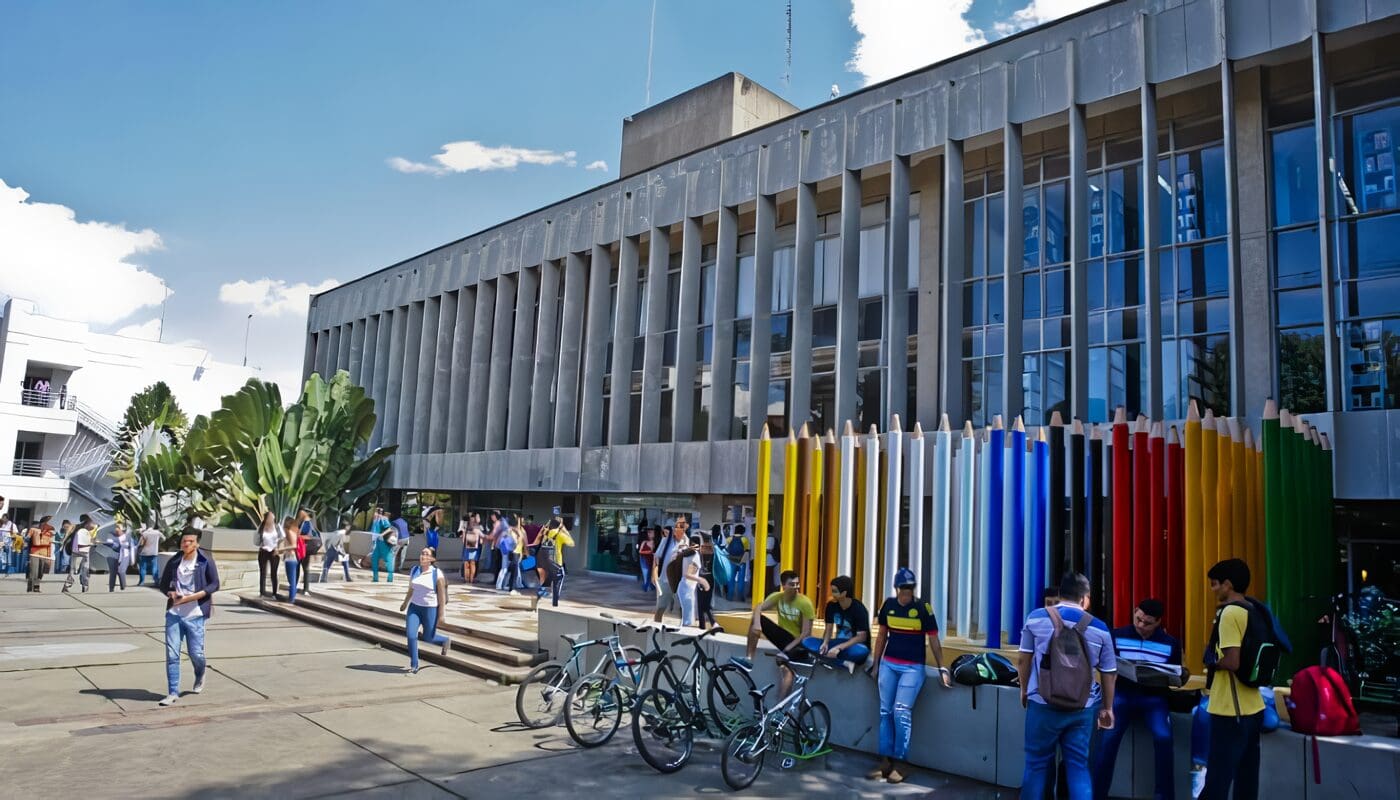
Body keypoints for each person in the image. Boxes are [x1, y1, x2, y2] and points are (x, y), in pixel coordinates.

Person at [1016, 573, 1117, 800]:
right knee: (1078, 768)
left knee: (1036, 765)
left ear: (1060, 595)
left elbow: (1023, 659)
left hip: (1042, 703)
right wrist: (1108, 708)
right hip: (1082, 708)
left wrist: (1024, 689)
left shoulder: (1036, 618)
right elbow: (1109, 673)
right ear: (1085, 599)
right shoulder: (1100, 628)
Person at [866, 567, 951, 783]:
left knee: (901, 711)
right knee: (885, 711)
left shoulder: (923, 608)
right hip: (889, 664)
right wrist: (876, 664)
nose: (906, 592)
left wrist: (942, 668)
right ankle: (885, 761)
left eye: (910, 588)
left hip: (912, 667)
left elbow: (933, 640)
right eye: (903, 588)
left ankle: (901, 762)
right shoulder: (889, 606)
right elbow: (881, 636)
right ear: (896, 589)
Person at [1091, 598, 1182, 800]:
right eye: (1138, 619)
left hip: (1154, 698)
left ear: (1159, 622)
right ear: (1134, 612)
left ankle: (1164, 795)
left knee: (1164, 737)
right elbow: (1105, 668)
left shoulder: (1171, 643)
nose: (1141, 625)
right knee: (1108, 739)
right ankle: (1097, 794)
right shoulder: (1116, 635)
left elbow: (1174, 675)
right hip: (1122, 694)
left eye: (1147, 623)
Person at [1200, 559, 1264, 800]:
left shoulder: (1229, 613)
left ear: (1227, 584)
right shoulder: (1254, 608)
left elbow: (1232, 661)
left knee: (1217, 777)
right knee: (1247, 778)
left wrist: (1211, 661)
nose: (1213, 589)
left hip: (1230, 708)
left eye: (1215, 584)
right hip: (1254, 705)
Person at [157, 528, 219, 706]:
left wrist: (192, 598)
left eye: (190, 541)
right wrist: (170, 593)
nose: (186, 544)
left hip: (195, 614)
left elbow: (214, 584)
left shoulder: (205, 560)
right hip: (174, 614)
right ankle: (172, 692)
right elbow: (163, 584)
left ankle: (200, 673)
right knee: (172, 654)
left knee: (196, 653)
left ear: (197, 543)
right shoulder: (175, 560)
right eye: (184, 541)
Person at [734, 569, 815, 700]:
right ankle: (749, 659)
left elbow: (806, 633)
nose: (796, 588)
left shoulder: (805, 603)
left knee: (786, 670)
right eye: (792, 584)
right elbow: (758, 606)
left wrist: (787, 650)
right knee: (757, 618)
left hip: (799, 643)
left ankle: (779, 709)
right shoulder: (778, 597)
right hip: (783, 638)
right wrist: (757, 624)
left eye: (797, 584)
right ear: (783, 586)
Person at [803, 574, 871, 673]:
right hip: (837, 642)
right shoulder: (831, 606)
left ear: (844, 593)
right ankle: (842, 662)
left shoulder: (859, 609)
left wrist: (838, 648)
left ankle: (825, 659)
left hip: (853, 645)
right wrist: (825, 643)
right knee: (807, 642)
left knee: (862, 651)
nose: (832, 594)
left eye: (835, 591)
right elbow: (829, 628)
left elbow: (861, 637)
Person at [399, 546, 450, 674]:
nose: (423, 556)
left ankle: (445, 640)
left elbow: (442, 595)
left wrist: (441, 614)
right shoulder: (415, 570)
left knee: (428, 637)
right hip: (414, 608)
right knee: (411, 635)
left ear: (432, 558)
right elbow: (411, 588)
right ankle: (414, 665)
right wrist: (405, 603)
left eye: (426, 554)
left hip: (430, 609)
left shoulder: (437, 573)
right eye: (422, 553)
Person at [532, 516, 575, 610]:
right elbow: (572, 543)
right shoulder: (560, 534)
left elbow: (537, 542)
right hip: (555, 562)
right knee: (558, 581)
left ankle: (538, 597)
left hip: (543, 562)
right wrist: (564, 530)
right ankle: (555, 604)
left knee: (545, 582)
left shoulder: (545, 532)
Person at [651, 520, 689, 623]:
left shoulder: (687, 543)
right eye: (676, 528)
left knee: (682, 608)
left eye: (681, 528)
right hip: (664, 580)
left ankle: (682, 628)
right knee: (660, 607)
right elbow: (656, 558)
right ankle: (657, 626)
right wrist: (653, 575)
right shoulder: (667, 542)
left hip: (680, 582)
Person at [677, 534, 708, 627]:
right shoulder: (694, 555)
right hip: (688, 589)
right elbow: (688, 574)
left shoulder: (686, 553)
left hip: (683, 587)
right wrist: (702, 580)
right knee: (688, 622)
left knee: (686, 619)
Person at [63, 515, 95, 593]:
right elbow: (78, 542)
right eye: (91, 521)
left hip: (85, 552)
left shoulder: (86, 531)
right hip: (78, 552)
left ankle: (85, 586)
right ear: (86, 522)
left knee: (85, 570)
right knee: (74, 570)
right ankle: (67, 586)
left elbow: (92, 530)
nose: (93, 524)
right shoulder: (79, 529)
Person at [102, 521, 135, 592]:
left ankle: (123, 587)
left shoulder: (128, 537)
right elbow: (110, 544)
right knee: (113, 572)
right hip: (112, 556)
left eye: (118, 528)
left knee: (121, 571)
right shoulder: (111, 535)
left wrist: (132, 560)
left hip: (124, 556)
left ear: (122, 530)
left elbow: (132, 548)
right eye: (115, 528)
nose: (116, 530)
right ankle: (111, 588)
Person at [26, 516, 55, 592]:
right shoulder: (33, 530)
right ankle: (30, 588)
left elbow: (49, 545)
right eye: (46, 522)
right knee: (33, 572)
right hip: (34, 553)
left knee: (40, 572)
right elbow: (27, 540)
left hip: (44, 554)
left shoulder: (49, 532)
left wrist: (49, 557)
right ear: (42, 523)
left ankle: (36, 588)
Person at [255, 511, 281, 597]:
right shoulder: (261, 527)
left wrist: (278, 548)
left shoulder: (277, 527)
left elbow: (282, 537)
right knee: (263, 572)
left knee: (274, 573)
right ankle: (262, 592)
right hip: (264, 551)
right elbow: (256, 540)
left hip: (274, 551)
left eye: (272, 518)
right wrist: (261, 545)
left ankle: (274, 593)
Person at [320, 519, 353, 584]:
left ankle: (323, 578)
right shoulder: (343, 533)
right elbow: (339, 544)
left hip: (330, 548)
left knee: (327, 564)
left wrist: (327, 549)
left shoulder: (335, 532)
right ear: (346, 527)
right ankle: (348, 577)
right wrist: (341, 552)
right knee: (345, 562)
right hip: (336, 549)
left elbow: (327, 541)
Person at [277, 517, 302, 603]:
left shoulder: (288, 532)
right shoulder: (293, 532)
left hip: (290, 558)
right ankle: (292, 598)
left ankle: (292, 599)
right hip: (292, 558)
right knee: (292, 580)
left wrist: (282, 549)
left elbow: (294, 545)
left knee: (291, 580)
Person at [696, 530, 718, 627]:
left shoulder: (700, 549)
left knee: (700, 603)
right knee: (708, 601)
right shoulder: (713, 549)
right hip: (711, 578)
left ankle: (702, 625)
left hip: (701, 577)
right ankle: (713, 622)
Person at [298, 509, 321, 595]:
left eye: (300, 513)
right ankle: (305, 589)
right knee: (305, 568)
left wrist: (298, 536)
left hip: (304, 548)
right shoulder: (311, 522)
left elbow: (309, 536)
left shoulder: (306, 523)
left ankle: (304, 588)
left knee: (303, 568)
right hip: (305, 548)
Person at [496, 519, 521, 594]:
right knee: (506, 569)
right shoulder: (510, 531)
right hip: (511, 552)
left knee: (507, 569)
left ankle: (503, 585)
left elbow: (498, 542)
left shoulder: (506, 530)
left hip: (506, 552)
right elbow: (516, 542)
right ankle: (501, 585)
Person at [371, 512, 397, 582]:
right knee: (374, 559)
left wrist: (381, 535)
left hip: (383, 543)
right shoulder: (375, 520)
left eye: (376, 511)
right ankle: (375, 578)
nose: (374, 513)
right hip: (378, 543)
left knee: (388, 560)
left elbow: (389, 529)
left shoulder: (383, 519)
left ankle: (390, 578)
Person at [137, 521, 162, 586]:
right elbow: (164, 538)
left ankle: (141, 582)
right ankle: (156, 581)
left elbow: (140, 543)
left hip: (144, 553)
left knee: (142, 568)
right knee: (154, 567)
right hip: (154, 552)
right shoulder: (157, 533)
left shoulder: (144, 533)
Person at [460, 514, 482, 585]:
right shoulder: (465, 527)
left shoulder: (478, 527)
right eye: (471, 519)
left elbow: (481, 538)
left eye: (473, 519)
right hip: (468, 547)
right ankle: (467, 580)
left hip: (474, 548)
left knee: (472, 563)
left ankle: (471, 580)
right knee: (467, 563)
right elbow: (463, 538)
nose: (472, 521)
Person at [637, 526, 655, 593]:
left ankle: (650, 586)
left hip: (652, 559)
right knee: (646, 573)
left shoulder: (655, 542)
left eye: (652, 533)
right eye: (649, 533)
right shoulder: (644, 542)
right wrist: (649, 552)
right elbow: (640, 551)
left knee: (651, 573)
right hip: (644, 559)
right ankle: (646, 587)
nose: (650, 534)